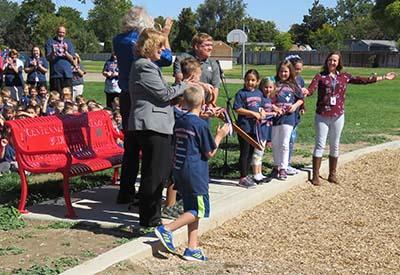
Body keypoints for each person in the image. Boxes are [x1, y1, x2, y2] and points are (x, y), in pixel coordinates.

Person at [127, 28, 194, 227]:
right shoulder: (143, 66)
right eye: (160, 45)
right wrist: (184, 84)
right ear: (148, 46)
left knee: (160, 173)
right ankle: (149, 219)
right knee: (154, 174)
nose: (163, 50)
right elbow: (164, 94)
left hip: (159, 125)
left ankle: (152, 215)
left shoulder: (149, 66)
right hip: (151, 126)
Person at [155, 86, 229, 261]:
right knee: (200, 210)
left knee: (191, 207)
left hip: (180, 169)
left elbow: (188, 119)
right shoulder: (201, 125)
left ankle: (192, 248)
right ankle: (167, 229)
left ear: (184, 102)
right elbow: (210, 152)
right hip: (195, 172)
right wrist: (220, 135)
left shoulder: (180, 120)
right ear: (203, 103)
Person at [304, 51, 396, 186]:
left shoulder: (344, 77)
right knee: (320, 144)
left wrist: (383, 77)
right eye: (330, 60)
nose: (332, 62)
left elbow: (362, 80)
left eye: (335, 60)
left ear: (339, 63)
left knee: (335, 144)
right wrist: (306, 92)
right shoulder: (320, 76)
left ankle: (332, 174)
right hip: (322, 115)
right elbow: (311, 89)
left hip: (338, 115)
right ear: (326, 61)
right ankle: (316, 176)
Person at [113, 7, 174, 205]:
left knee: (130, 145)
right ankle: (147, 194)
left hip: (125, 94)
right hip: (145, 95)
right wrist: (164, 34)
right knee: (149, 147)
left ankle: (126, 190)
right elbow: (166, 59)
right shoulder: (139, 43)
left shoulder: (118, 39)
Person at [271, 60, 304, 180]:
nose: (283, 74)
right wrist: (273, 107)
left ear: (290, 72)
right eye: (281, 71)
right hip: (275, 117)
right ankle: (276, 166)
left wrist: (294, 106)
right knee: (275, 143)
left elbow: (300, 98)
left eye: (285, 71)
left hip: (288, 117)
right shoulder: (274, 83)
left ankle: (283, 168)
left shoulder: (294, 85)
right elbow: (267, 98)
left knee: (285, 143)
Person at [233, 69, 264, 188]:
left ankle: (247, 174)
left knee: (252, 151)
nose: (250, 82)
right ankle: (242, 177)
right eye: (247, 80)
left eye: (252, 80)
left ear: (257, 81)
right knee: (244, 152)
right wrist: (252, 113)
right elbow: (238, 109)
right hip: (244, 127)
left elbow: (260, 106)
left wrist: (261, 111)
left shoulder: (259, 93)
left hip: (254, 128)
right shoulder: (241, 93)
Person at [173, 33, 220, 105]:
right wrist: (201, 85)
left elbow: (215, 87)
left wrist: (211, 105)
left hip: (203, 105)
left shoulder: (213, 64)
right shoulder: (182, 58)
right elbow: (179, 80)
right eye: (207, 45)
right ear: (196, 46)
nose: (210, 48)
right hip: (183, 104)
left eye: (211, 45)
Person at [251, 77, 277, 183]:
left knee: (261, 152)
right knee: (257, 152)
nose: (268, 89)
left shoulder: (269, 99)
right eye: (266, 87)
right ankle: (255, 173)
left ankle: (259, 172)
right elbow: (262, 114)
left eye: (270, 87)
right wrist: (272, 114)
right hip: (260, 128)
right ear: (262, 87)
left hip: (267, 128)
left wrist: (275, 109)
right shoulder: (260, 98)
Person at [285, 55, 305, 175]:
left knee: (292, 139)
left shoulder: (300, 80)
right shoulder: (286, 79)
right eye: (296, 69)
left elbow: (301, 96)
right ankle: (282, 164)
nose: (298, 71)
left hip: (295, 113)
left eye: (300, 69)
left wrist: (302, 107)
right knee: (285, 140)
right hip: (285, 115)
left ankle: (287, 163)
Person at [45, 25, 76, 95]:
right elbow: (48, 58)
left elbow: (72, 59)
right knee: (56, 97)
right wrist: (53, 52)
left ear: (65, 33)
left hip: (67, 74)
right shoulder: (50, 42)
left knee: (67, 96)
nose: (61, 34)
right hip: (56, 74)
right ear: (56, 32)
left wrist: (65, 52)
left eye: (63, 33)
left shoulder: (68, 42)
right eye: (60, 32)